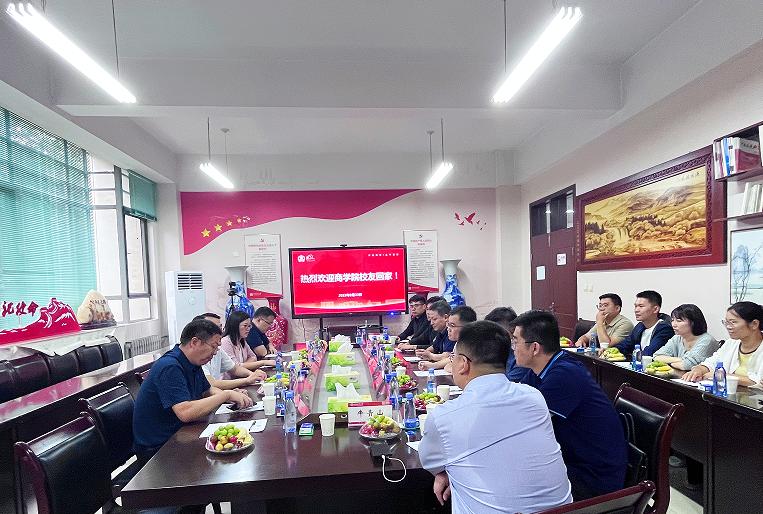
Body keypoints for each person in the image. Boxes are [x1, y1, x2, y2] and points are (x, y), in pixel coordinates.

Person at [419, 320, 572, 513]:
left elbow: (431, 463)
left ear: (463, 364)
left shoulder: (444, 417)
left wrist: (446, 472)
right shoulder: (534, 396)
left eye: (453, 357)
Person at [513, 310, 627, 500]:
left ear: (534, 348)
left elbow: (525, 425)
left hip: (592, 476)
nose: (513, 348)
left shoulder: (565, 374)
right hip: (570, 460)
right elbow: (515, 404)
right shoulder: (540, 369)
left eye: (515, 341)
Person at [132, 319, 253, 463]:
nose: (215, 353)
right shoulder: (170, 366)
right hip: (159, 449)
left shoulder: (192, 362)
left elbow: (207, 390)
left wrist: (233, 396)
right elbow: (185, 412)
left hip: (182, 434)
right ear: (195, 342)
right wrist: (226, 395)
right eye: (214, 347)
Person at [683, 301, 763, 387]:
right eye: (726, 322)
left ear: (754, 324)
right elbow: (711, 363)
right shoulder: (731, 343)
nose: (728, 327)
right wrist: (699, 370)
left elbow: (759, 382)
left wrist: (723, 376)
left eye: (733, 322)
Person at [193, 313, 267, 389]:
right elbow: (211, 384)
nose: (220, 331)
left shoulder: (219, 348)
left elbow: (235, 368)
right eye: (215, 328)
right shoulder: (197, 356)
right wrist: (246, 380)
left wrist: (252, 374)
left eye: (220, 327)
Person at [653, 304, 719, 371]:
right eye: (672, 320)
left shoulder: (707, 340)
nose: (673, 325)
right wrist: (681, 360)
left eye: (679, 321)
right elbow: (656, 357)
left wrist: (669, 362)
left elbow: (687, 365)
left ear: (693, 322)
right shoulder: (677, 338)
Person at [610, 290, 673, 357]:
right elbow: (625, 345)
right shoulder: (640, 326)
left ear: (655, 309)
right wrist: (612, 351)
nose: (636, 310)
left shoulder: (665, 329)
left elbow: (650, 353)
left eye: (641, 306)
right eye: (635, 306)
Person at [222, 310, 276, 375]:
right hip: (230, 380)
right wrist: (263, 362)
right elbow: (234, 367)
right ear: (235, 325)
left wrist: (242, 365)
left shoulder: (242, 341)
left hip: (242, 377)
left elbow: (253, 357)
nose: (248, 329)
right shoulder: (226, 342)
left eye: (249, 326)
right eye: (245, 326)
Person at [484, 306, 529, 381]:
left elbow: (505, 384)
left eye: (496, 334)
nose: (490, 338)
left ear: (513, 330)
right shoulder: (492, 352)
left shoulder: (521, 355)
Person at [417, 300, 455, 370]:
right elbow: (434, 347)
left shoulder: (453, 332)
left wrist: (431, 356)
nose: (431, 323)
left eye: (434, 319)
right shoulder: (441, 331)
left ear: (446, 318)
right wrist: (424, 353)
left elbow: (449, 356)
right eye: (431, 319)